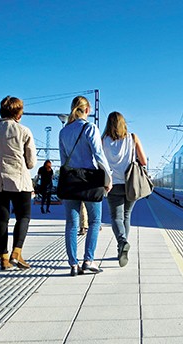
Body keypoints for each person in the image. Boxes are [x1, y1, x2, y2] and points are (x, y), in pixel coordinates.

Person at [59, 96, 112, 276]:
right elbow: (98, 155)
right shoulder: (90, 127)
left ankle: (73, 264)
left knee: (71, 224)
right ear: (87, 110)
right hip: (90, 180)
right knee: (95, 221)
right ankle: (88, 260)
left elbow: (63, 159)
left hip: (71, 180)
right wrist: (108, 177)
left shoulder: (64, 131)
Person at [0, 96, 37, 270]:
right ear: (18, 113)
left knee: (1, 220)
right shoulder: (24, 131)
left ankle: (3, 258)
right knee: (23, 216)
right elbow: (31, 161)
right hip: (20, 180)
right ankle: (16, 253)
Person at [102, 111, 147, 267]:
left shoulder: (103, 140)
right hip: (131, 183)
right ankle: (122, 246)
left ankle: (122, 243)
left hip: (112, 184)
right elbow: (143, 161)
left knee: (116, 217)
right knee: (126, 216)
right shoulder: (133, 138)